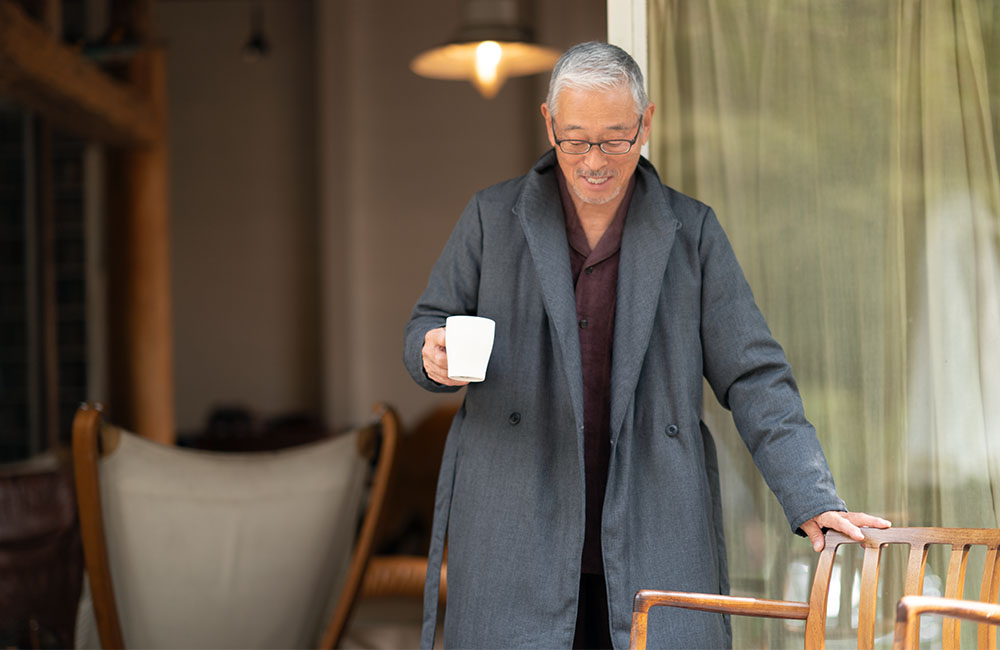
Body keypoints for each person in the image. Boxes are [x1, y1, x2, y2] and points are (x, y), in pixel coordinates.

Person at [403, 41, 890, 649]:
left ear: (647, 124)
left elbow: (754, 376)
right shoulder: (490, 217)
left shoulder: (692, 231)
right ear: (549, 123)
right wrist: (431, 353)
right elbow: (428, 322)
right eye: (576, 139)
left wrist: (810, 493)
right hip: (514, 521)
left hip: (654, 521)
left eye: (615, 138)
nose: (595, 161)